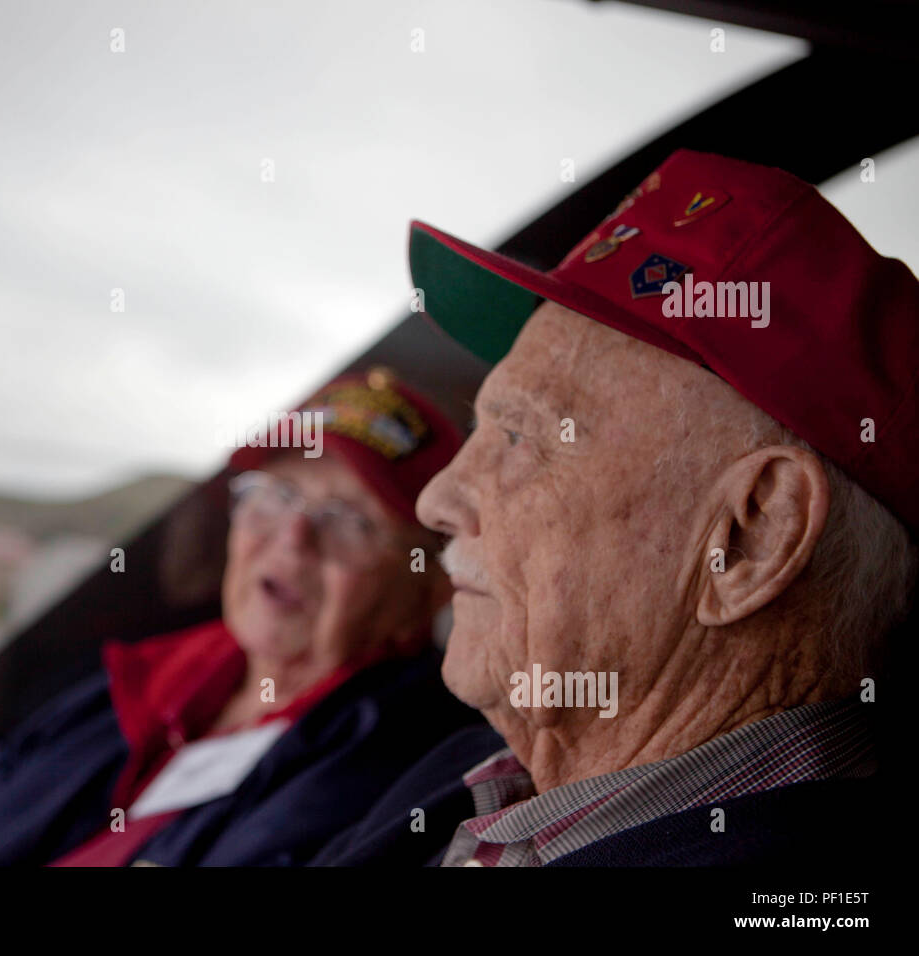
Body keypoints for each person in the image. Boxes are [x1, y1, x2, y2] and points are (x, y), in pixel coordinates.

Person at [313, 149, 916, 867]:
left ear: (753, 536)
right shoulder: (466, 774)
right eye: (478, 428)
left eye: (519, 436)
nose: (435, 499)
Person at [0, 368, 484, 866]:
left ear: (433, 583)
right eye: (276, 496)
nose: (291, 540)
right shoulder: (131, 688)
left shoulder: (406, 780)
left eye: (349, 520)